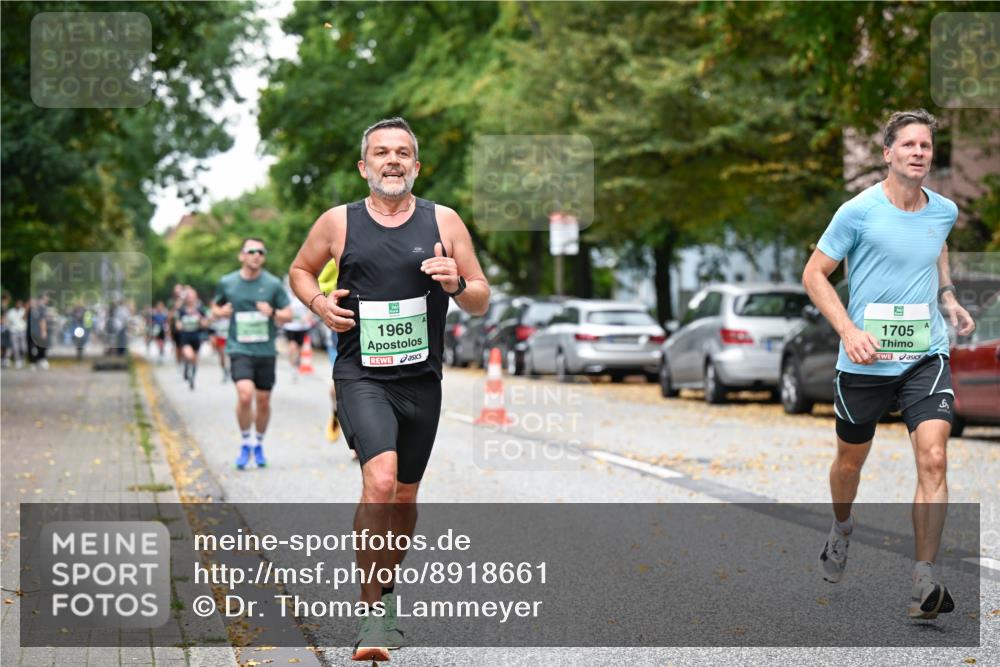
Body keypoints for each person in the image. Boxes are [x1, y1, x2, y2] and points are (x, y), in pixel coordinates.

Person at [289, 117, 490, 661]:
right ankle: (373, 614)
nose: (392, 160)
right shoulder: (338, 222)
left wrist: (456, 283)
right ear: (364, 166)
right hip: (361, 375)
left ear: (416, 166)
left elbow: (480, 297)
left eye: (403, 152)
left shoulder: (443, 220)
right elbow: (301, 270)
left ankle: (387, 587)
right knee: (378, 481)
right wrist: (319, 305)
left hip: (422, 381)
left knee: (404, 495)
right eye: (381, 152)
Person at [802, 109, 976, 620]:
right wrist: (849, 331)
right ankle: (842, 527)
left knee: (935, 458)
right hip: (865, 360)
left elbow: (935, 244)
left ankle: (924, 579)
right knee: (849, 465)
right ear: (888, 154)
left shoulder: (943, 209)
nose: (919, 152)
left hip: (924, 354)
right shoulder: (857, 211)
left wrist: (947, 295)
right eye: (909, 145)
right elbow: (815, 275)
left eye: (926, 146)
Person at [212, 238, 292, 470]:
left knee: (263, 401)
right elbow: (215, 308)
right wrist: (221, 311)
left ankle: (258, 443)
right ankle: (246, 441)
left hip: (265, 351)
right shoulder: (227, 282)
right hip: (239, 348)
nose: (256, 255)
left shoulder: (273, 284)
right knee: (245, 395)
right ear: (242, 256)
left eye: (260, 252)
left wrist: (272, 312)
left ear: (263, 257)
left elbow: (287, 314)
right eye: (251, 251)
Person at [318, 259, 343, 443]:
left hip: (379, 330)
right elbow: (323, 285)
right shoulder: (340, 249)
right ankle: (336, 410)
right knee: (340, 385)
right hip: (343, 330)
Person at [282, 277, 316, 382]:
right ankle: (293, 368)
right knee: (292, 347)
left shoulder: (302, 295)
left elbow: (311, 308)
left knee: (300, 349)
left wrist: (307, 318)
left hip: (302, 327)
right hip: (290, 326)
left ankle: (296, 364)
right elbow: (282, 309)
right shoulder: (286, 297)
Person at [175, 289, 209, 390]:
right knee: (189, 355)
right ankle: (186, 366)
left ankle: (192, 379)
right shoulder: (181, 311)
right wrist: (180, 325)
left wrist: (200, 320)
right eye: (188, 296)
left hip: (196, 337)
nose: (190, 298)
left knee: (195, 360)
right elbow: (178, 325)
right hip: (185, 336)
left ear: (195, 297)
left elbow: (205, 324)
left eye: (192, 296)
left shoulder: (201, 309)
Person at [210, 311, 230, 382]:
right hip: (220, 338)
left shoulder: (232, 318)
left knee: (230, 356)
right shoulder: (217, 319)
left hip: (230, 339)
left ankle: (230, 370)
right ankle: (225, 371)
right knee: (222, 356)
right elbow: (212, 331)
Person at [7, 299, 28, 369]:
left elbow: (25, 319)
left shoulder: (23, 310)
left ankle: (22, 359)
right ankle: (17, 361)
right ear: (15, 304)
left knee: (23, 347)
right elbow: (8, 321)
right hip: (13, 331)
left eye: (20, 304)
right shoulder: (11, 312)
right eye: (18, 304)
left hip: (22, 331)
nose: (19, 305)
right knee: (15, 347)